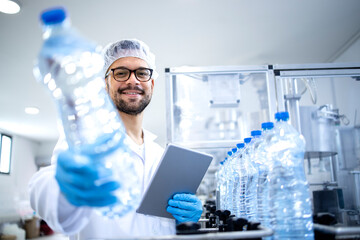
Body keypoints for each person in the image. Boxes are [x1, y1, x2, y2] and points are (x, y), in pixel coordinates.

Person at [28, 39, 203, 240]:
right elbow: (49, 198)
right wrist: (67, 189)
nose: (133, 81)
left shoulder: (161, 154)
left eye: (142, 73)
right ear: (105, 83)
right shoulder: (84, 141)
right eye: (121, 73)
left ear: (151, 84)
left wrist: (186, 219)